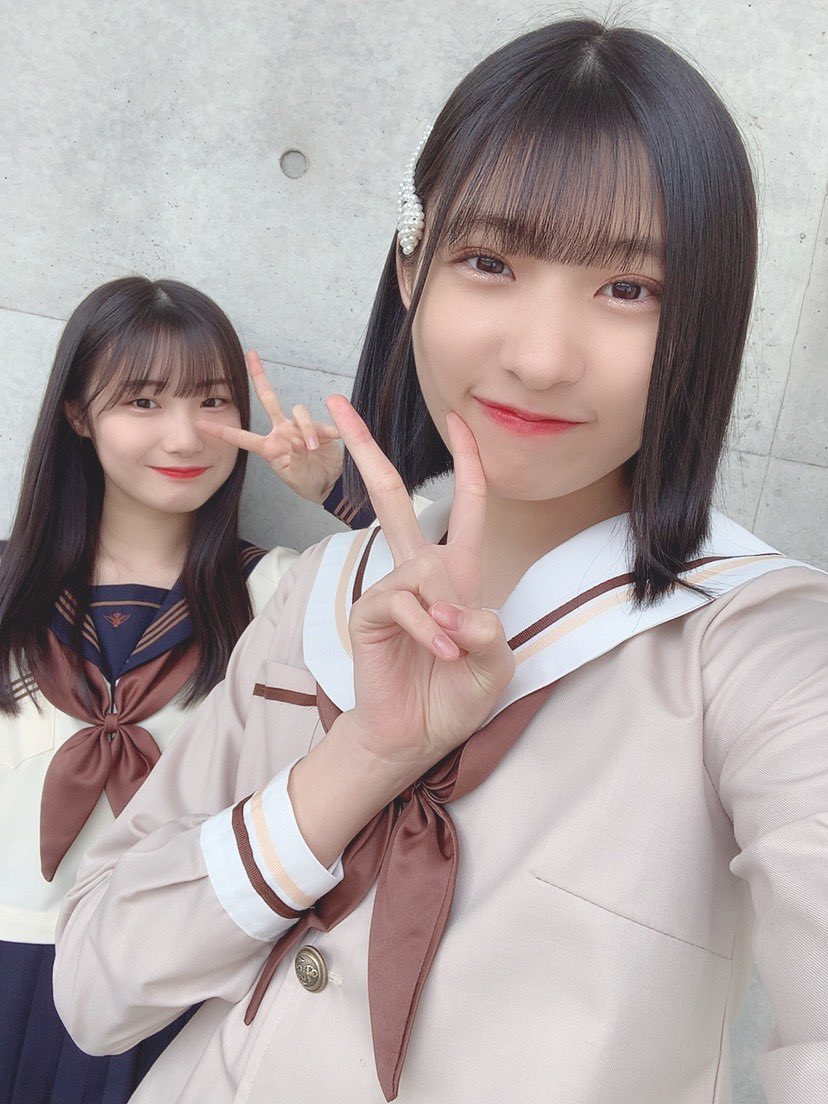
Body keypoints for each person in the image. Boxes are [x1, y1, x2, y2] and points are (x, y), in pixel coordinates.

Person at [54, 20, 827, 1104]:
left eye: (630, 288)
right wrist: (358, 761)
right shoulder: (316, 594)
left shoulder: (758, 647)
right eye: (490, 262)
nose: (540, 357)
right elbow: (94, 991)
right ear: (411, 265)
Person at [0, 275, 349, 1104]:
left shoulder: (281, 593)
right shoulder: (9, 589)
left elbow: (459, 610)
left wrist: (340, 492)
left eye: (212, 400)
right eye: (144, 401)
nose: (186, 435)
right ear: (78, 413)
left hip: (165, 984)